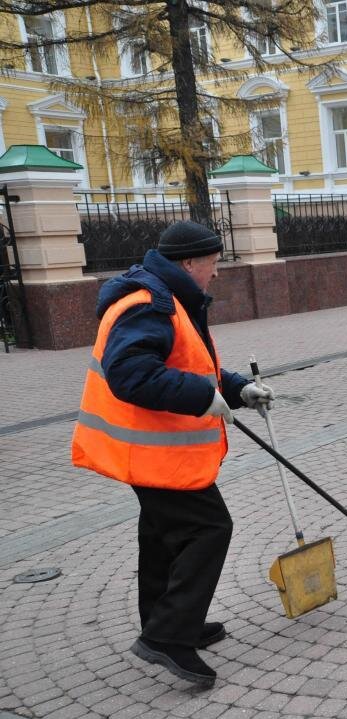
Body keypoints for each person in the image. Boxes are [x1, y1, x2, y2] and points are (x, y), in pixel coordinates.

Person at [71, 221, 275, 688]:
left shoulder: (168, 296)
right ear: (189, 263)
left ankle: (163, 622)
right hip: (152, 451)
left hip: (153, 451)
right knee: (209, 528)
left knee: (165, 533)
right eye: (214, 264)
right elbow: (132, 374)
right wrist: (201, 397)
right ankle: (168, 636)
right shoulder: (148, 304)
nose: (217, 274)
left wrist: (239, 388)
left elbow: (190, 362)